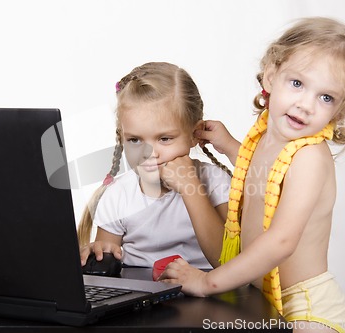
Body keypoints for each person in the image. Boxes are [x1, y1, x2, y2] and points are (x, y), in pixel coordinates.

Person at [159, 17, 345, 333]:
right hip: (266, 298)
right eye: (297, 84)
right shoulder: (266, 136)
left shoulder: (311, 156)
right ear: (271, 76)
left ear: (338, 110)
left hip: (306, 307)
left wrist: (206, 282)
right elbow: (264, 174)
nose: (305, 105)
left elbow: (282, 241)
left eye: (326, 97)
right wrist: (230, 146)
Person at [78, 62, 232, 269]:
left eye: (165, 139)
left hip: (210, 292)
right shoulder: (119, 195)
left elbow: (229, 262)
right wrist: (97, 254)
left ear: (195, 134)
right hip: (142, 296)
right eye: (135, 140)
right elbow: (107, 261)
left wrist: (191, 189)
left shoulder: (216, 183)